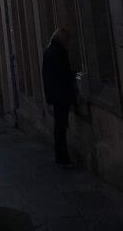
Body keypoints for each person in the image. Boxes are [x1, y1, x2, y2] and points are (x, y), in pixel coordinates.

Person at [42, 27, 77, 167]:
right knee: (61, 127)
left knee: (59, 126)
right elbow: (63, 74)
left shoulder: (49, 51)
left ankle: (61, 156)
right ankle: (62, 157)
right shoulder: (59, 52)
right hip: (62, 94)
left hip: (55, 95)